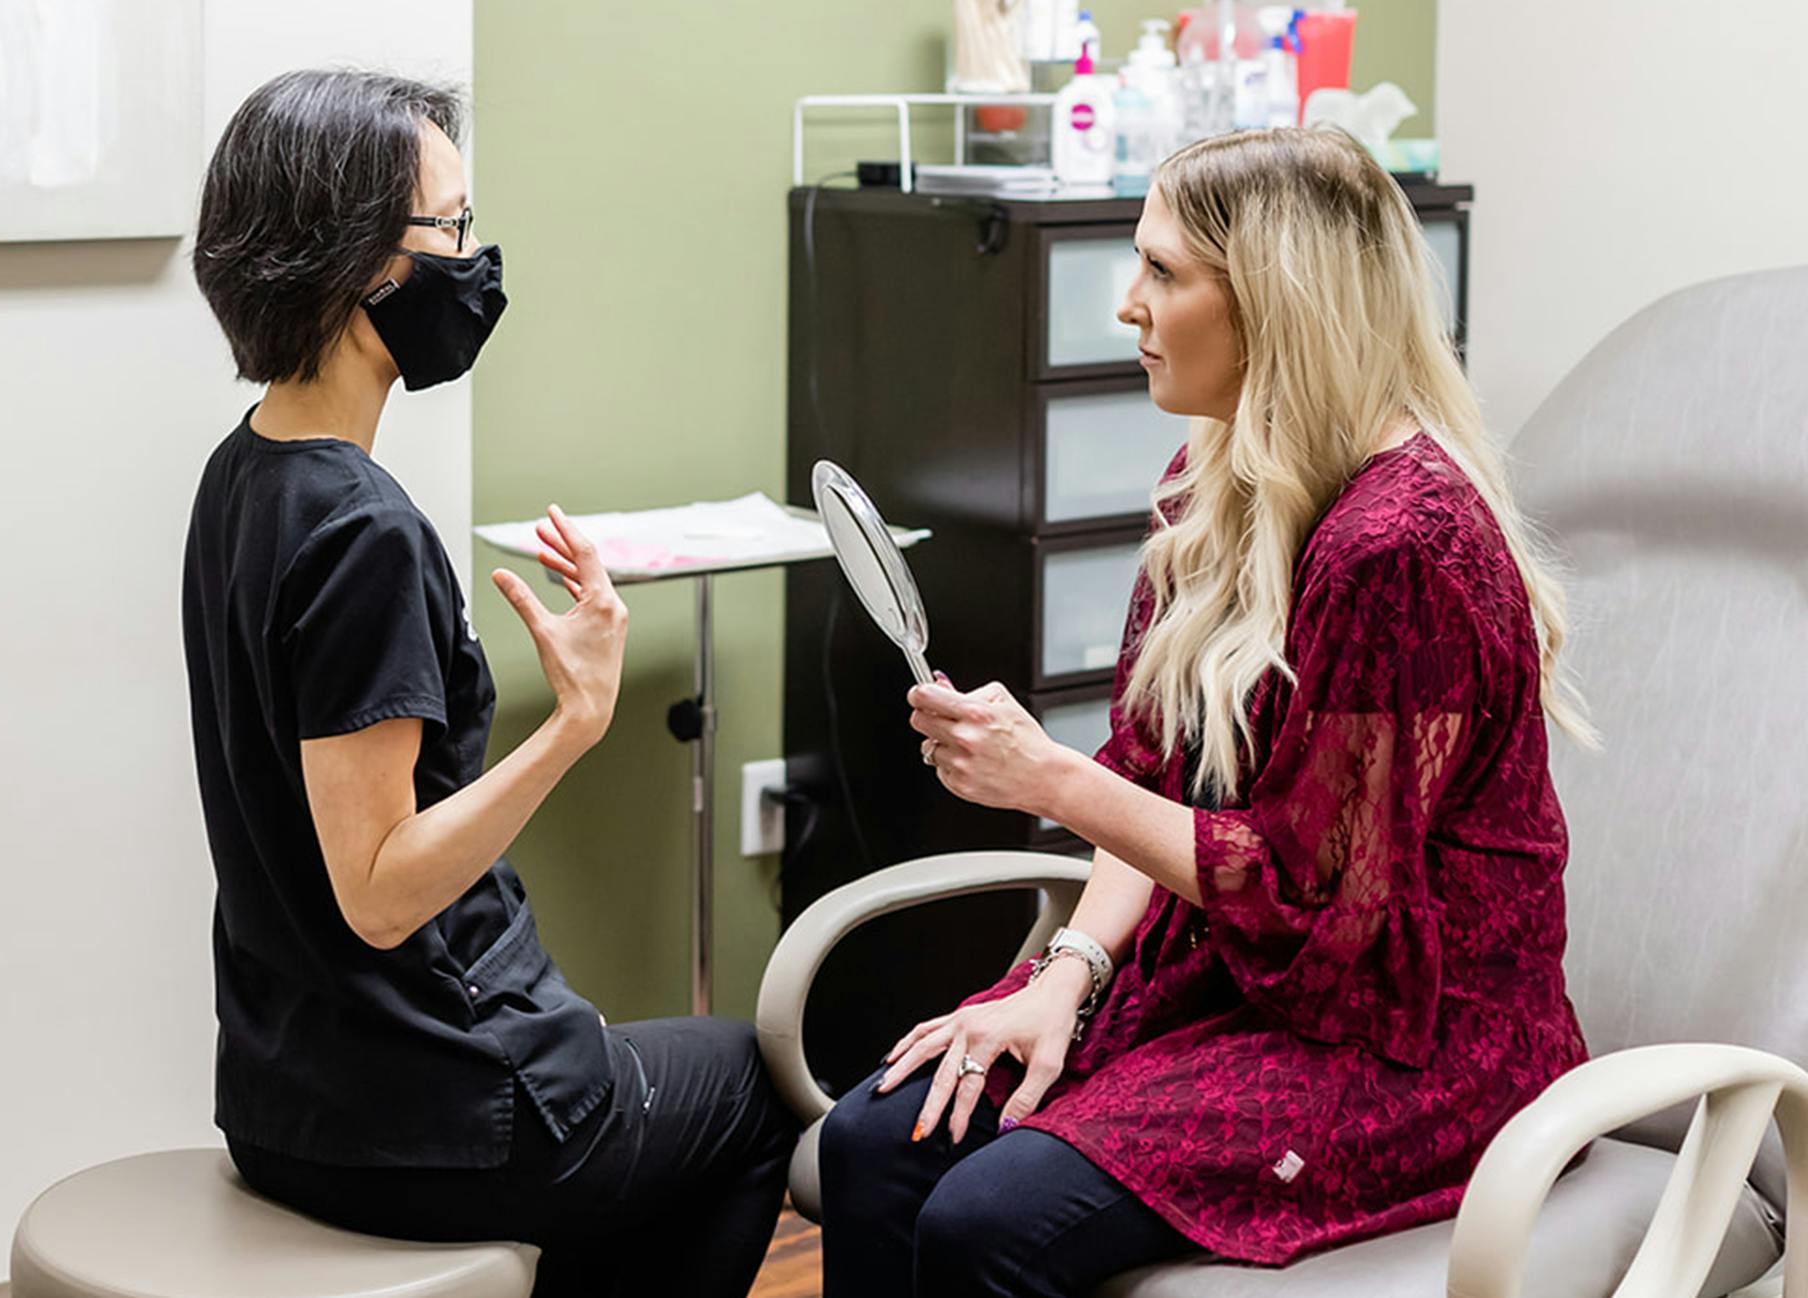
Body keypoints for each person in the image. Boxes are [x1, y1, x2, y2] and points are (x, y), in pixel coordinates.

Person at [818, 126, 1597, 1297]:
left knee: (988, 1218)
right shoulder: (1211, 489)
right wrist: (1064, 972)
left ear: (1277, 302)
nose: (1126, 304)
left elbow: (1319, 903)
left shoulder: (1403, 546)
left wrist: (1046, 777)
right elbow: (1156, 779)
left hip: (1403, 1041)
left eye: (1164, 272)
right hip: (1232, 983)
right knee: (877, 1142)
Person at [181, 70, 795, 1298]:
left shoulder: (241, 472)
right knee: (754, 1083)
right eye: (452, 230)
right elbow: (378, 891)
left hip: (284, 1095)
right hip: (430, 1113)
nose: (476, 259)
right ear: (363, 268)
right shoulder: (362, 533)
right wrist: (574, 721)